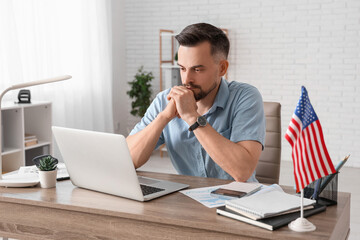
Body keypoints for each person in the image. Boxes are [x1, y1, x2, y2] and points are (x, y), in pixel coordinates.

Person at [127, 23, 265, 182]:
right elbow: (127, 159)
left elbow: (242, 171)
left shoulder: (246, 97)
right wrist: (164, 117)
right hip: (189, 199)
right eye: (182, 68)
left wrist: (192, 117)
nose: (186, 80)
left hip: (237, 201)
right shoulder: (164, 100)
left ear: (222, 68)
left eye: (197, 70)